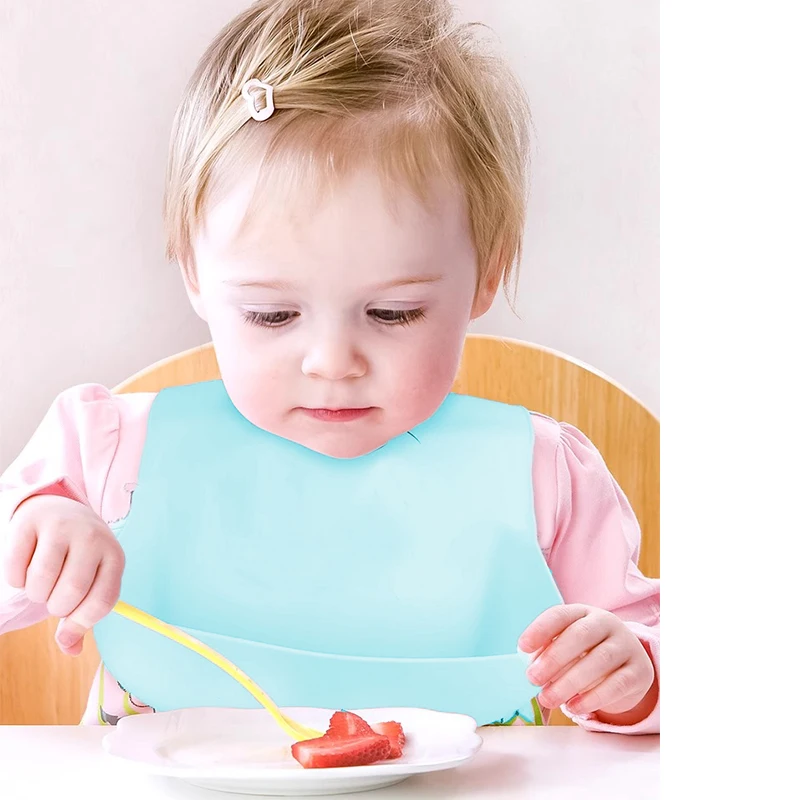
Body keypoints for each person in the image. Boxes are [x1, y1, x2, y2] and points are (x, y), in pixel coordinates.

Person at [0, 0, 659, 733]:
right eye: (272, 316)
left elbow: (676, 669)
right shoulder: (101, 454)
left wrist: (638, 674)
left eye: (394, 313)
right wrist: (32, 530)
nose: (333, 362)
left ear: (485, 277)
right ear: (193, 274)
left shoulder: (545, 477)